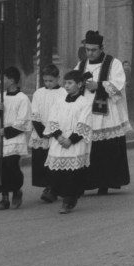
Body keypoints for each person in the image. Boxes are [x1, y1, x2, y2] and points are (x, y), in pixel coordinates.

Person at [76, 30, 130, 195]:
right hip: (87, 112)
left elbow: (119, 85)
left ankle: (106, 182)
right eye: (88, 50)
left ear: (101, 48)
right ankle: (88, 182)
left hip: (107, 113)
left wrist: (98, 85)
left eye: (93, 50)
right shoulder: (81, 64)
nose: (90, 53)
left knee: (106, 149)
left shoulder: (113, 63)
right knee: (88, 148)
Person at [44, 70, 93, 214]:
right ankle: (56, 192)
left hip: (74, 142)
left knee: (72, 174)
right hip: (59, 141)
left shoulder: (84, 103)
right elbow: (52, 120)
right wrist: (58, 137)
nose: (66, 86)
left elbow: (84, 123)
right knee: (57, 171)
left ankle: (69, 200)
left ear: (79, 84)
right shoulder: (59, 101)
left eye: (70, 83)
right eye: (65, 83)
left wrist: (71, 140)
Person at [0, 66, 32, 210]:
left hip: (13, 140)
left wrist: (8, 131)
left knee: (11, 168)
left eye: (2, 78)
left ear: (12, 80)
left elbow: (24, 120)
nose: (0, 81)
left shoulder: (23, 99)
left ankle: (16, 192)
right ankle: (4, 197)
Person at [29, 64, 67, 203]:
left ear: (58, 78)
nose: (48, 84)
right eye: (45, 81)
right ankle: (47, 186)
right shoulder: (38, 93)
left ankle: (54, 188)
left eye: (51, 80)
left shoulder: (63, 93)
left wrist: (53, 131)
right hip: (41, 133)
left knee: (55, 162)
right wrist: (41, 131)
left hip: (56, 133)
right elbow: (35, 113)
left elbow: (64, 113)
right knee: (41, 161)